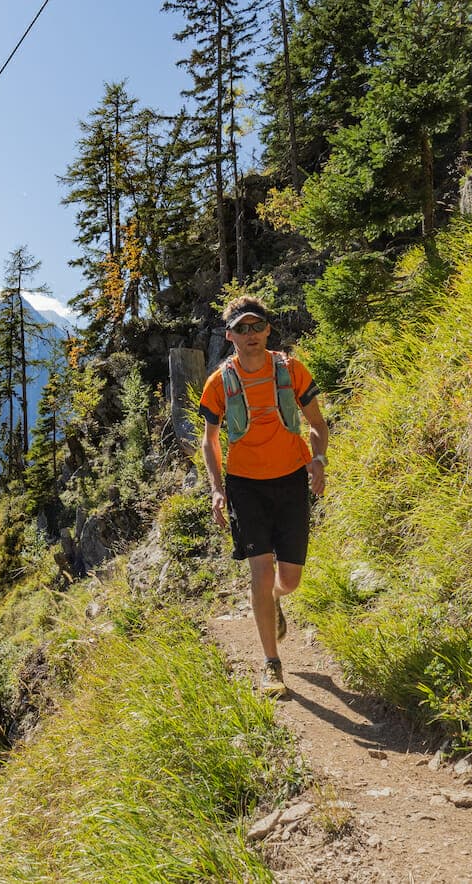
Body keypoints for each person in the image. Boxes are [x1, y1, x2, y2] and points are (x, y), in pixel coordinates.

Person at [199, 296, 328, 697]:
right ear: (230, 335)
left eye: (257, 326)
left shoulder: (291, 371)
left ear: (268, 330)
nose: (251, 334)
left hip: (291, 480)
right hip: (245, 486)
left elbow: (318, 424)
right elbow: (210, 441)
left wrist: (319, 459)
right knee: (259, 570)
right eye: (242, 328)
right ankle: (272, 665)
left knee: (288, 579)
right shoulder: (219, 383)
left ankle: (274, 599)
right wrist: (218, 489)